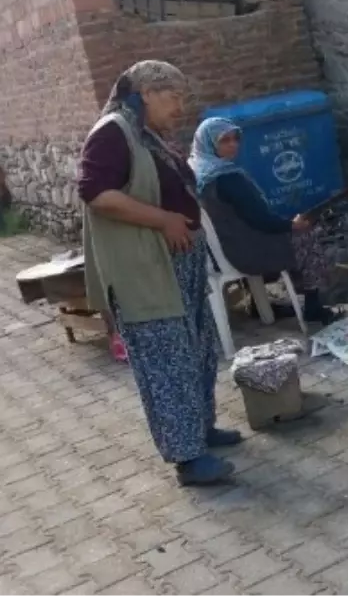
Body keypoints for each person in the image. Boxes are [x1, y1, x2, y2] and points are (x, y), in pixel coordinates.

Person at [77, 60, 239, 486]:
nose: (179, 107)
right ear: (146, 92)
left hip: (178, 265)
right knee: (167, 362)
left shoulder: (146, 134)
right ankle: (188, 458)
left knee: (197, 351)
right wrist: (163, 220)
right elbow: (96, 193)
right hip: (145, 271)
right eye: (173, 97)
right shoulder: (113, 131)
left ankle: (201, 429)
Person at [190, 116, 348, 321]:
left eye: (235, 139)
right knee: (309, 236)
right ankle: (313, 306)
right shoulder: (227, 177)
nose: (233, 145)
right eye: (224, 141)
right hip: (246, 252)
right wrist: (292, 225)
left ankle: (260, 303)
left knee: (297, 232)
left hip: (222, 250)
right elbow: (260, 219)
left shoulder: (198, 170)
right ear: (208, 143)